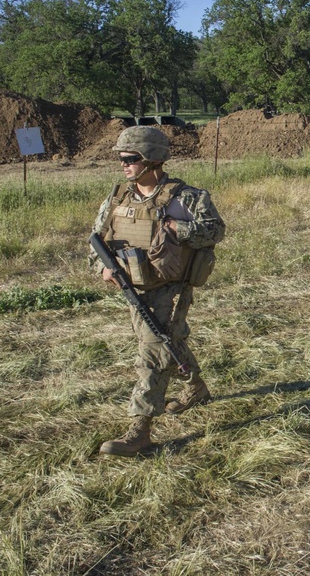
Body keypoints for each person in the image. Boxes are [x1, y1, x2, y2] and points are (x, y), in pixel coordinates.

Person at [89, 125, 226, 457]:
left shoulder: (186, 197)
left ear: (152, 159)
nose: (124, 164)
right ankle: (195, 388)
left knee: (152, 353)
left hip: (171, 288)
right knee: (171, 341)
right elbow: (95, 241)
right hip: (133, 288)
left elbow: (216, 230)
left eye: (130, 158)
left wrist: (177, 228)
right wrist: (103, 268)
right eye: (121, 158)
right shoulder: (119, 196)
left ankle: (140, 430)